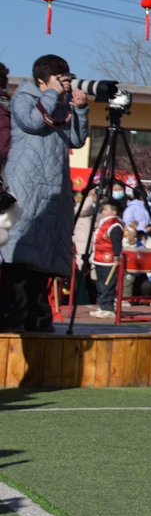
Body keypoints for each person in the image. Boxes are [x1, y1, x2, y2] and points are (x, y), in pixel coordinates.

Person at [0, 56, 89, 332]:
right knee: (19, 259)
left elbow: (76, 140)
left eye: (66, 76)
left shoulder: (61, 104)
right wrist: (52, 93)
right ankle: (10, 321)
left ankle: (39, 319)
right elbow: (32, 123)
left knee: (44, 261)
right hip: (26, 185)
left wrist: (81, 110)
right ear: (42, 80)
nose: (64, 82)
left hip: (53, 189)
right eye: (58, 77)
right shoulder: (23, 97)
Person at [89, 195, 125, 319]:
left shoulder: (115, 225)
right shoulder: (104, 223)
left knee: (107, 283)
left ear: (113, 212)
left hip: (109, 260)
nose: (102, 211)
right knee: (100, 284)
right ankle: (102, 305)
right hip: (100, 258)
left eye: (105, 209)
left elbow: (116, 242)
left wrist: (116, 257)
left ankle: (108, 307)